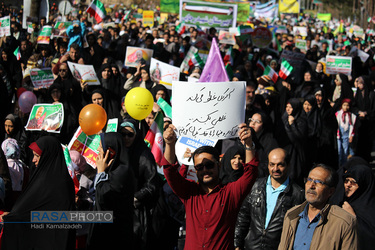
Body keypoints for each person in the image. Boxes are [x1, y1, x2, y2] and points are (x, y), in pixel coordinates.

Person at [162, 122, 258, 250]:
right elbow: (169, 171)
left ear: (218, 164)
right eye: (199, 167)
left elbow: (251, 173)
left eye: (209, 165)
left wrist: (249, 144)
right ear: (195, 170)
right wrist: (169, 144)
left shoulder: (231, 193)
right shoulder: (189, 193)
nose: (205, 170)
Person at [1, 136, 76, 250]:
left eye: (37, 156)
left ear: (48, 156)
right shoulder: (57, 180)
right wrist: (14, 215)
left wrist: (14, 217)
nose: (33, 160)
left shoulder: (51, 183)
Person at [234, 148, 304, 250]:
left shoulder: (297, 194)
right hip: (251, 246)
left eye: (280, 164)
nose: (275, 169)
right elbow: (243, 217)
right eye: (272, 164)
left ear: (288, 165)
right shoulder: (255, 186)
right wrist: (237, 244)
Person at [278, 164, 358, 250]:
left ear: (330, 191)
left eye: (319, 182)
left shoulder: (344, 222)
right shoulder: (291, 215)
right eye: (309, 180)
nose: (311, 186)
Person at [86, 132, 135, 250]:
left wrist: (101, 173)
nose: (98, 149)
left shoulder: (122, 172)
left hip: (114, 234)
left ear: (111, 151)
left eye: (101, 146)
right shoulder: (112, 169)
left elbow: (103, 197)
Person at [119, 118, 161, 249]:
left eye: (130, 134)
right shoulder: (118, 153)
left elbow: (152, 184)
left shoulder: (144, 155)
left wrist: (136, 197)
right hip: (119, 210)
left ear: (136, 135)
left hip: (138, 212)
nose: (126, 138)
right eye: (123, 134)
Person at [330, 163, 375, 250]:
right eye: (346, 181)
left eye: (353, 182)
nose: (348, 185)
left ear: (363, 184)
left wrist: (354, 218)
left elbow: (371, 239)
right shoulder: (340, 202)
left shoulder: (370, 208)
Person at [335, 98, 356, 166]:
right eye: (344, 105)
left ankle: (344, 166)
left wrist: (351, 135)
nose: (346, 107)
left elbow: (352, 126)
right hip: (339, 135)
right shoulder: (338, 114)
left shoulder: (351, 116)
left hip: (346, 135)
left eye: (347, 105)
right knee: (339, 151)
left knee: (345, 152)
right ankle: (338, 165)